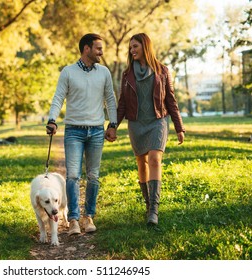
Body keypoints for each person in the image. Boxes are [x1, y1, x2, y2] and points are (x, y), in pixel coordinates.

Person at [106, 33, 185, 225]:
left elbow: (171, 101)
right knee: (141, 163)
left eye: (135, 46)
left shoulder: (163, 71)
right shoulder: (127, 75)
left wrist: (178, 127)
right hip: (136, 124)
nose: (132, 50)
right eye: (131, 47)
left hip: (157, 121)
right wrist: (113, 126)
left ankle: (154, 211)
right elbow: (123, 104)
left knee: (155, 159)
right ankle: (148, 205)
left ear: (145, 47)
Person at [46, 33, 117, 235]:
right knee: (74, 176)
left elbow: (110, 99)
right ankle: (74, 219)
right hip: (74, 131)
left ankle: (89, 217)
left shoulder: (104, 72)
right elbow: (58, 97)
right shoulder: (68, 72)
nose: (101, 52)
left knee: (93, 176)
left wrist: (112, 124)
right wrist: (52, 120)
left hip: (96, 130)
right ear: (86, 49)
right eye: (98, 48)